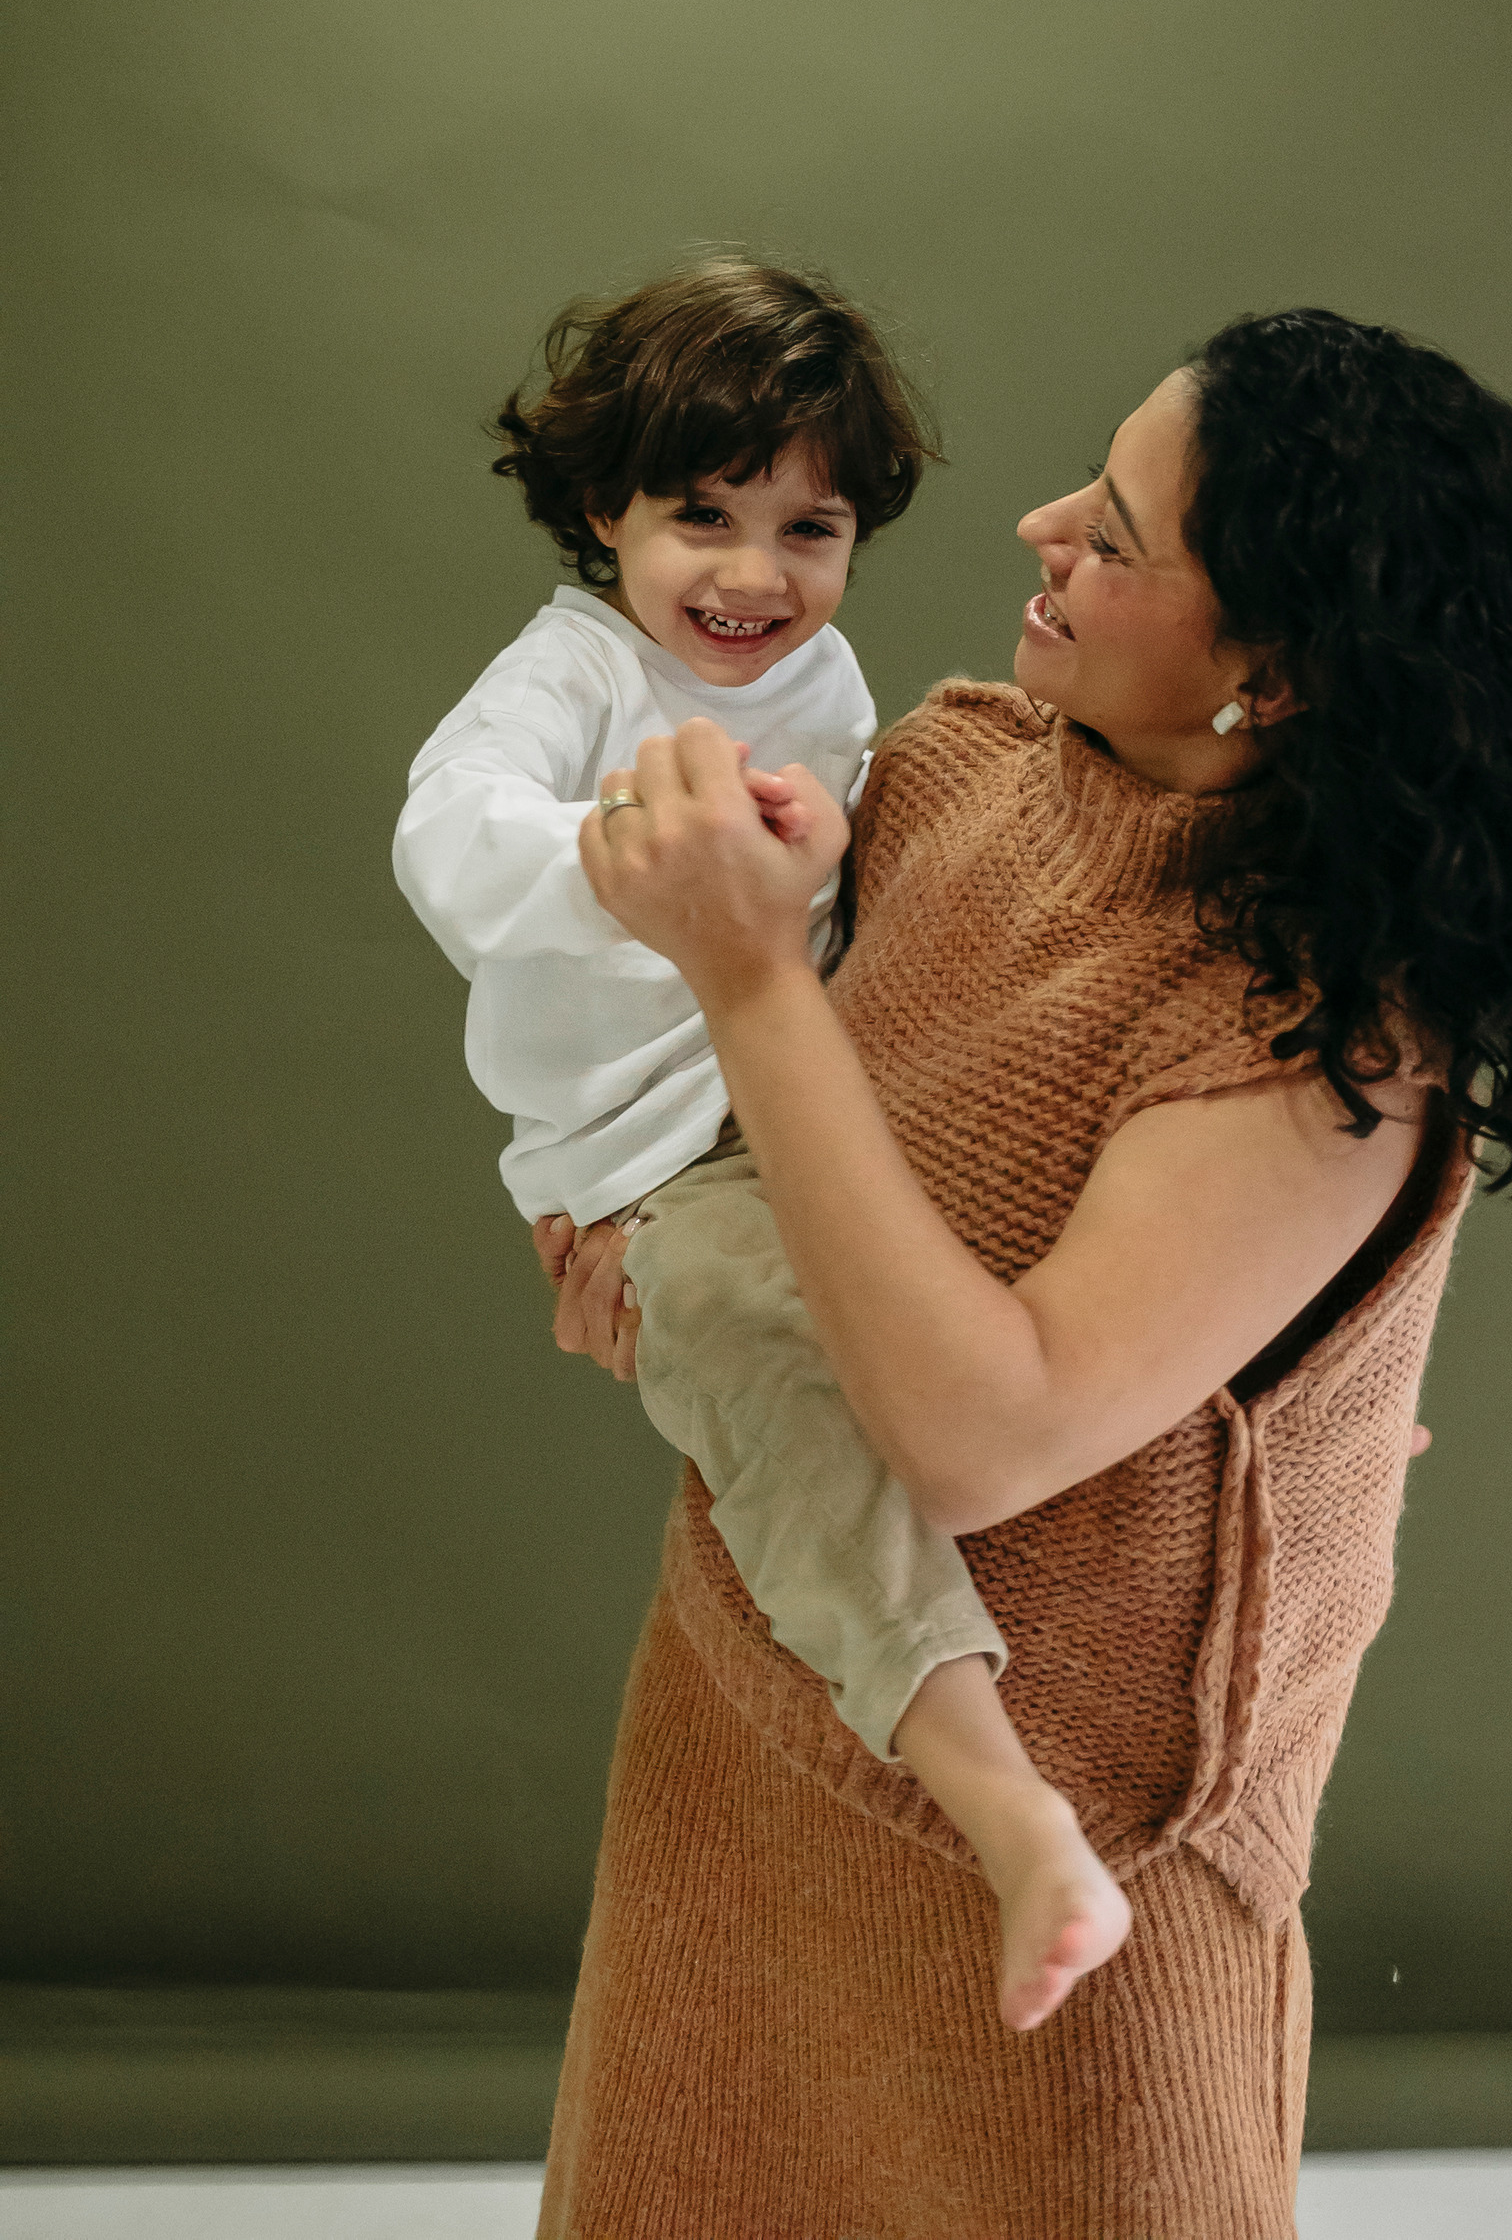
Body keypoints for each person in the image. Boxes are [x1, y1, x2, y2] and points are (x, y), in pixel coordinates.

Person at [531, 306, 1512, 2240]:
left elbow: (983, 1436)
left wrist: (749, 979)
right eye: (1088, 483)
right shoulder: (950, 771)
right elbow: (792, 1180)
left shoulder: (1321, 1042)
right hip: (748, 1731)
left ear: (1278, 672)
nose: (1042, 529)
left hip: (1083, 1867)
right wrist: (638, 1257)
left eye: (1120, 532)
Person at [393, 257, 1135, 2035]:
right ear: (606, 513)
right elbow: (448, 839)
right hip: (655, 1163)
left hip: (817, 1091)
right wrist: (644, 855)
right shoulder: (576, 670)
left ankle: (1268, 1370)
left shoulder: (833, 680)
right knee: (766, 1360)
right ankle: (997, 1792)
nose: (753, 577)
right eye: (702, 518)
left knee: (1044, 1208)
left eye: (810, 530)